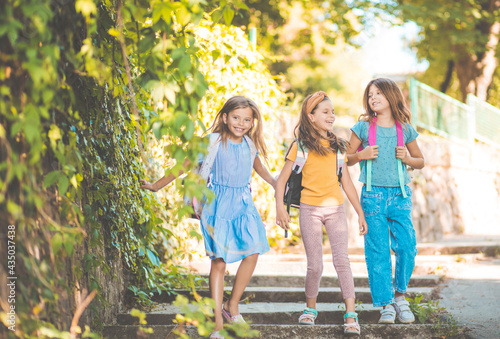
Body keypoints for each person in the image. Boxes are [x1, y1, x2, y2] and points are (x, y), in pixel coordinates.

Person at [140, 96, 276, 339]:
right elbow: (182, 166)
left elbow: (260, 169)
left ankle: (231, 305)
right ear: (224, 117)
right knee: (220, 262)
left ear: (252, 122)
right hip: (217, 205)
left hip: (244, 204)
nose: (241, 123)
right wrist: (156, 185)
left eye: (247, 119)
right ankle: (217, 324)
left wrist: (277, 183)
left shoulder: (249, 144)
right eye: (236, 117)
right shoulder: (212, 142)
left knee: (253, 252)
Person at [275, 91, 368, 336]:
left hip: (335, 210)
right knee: (314, 265)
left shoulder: (338, 146)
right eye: (325, 112)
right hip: (309, 210)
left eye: (333, 112)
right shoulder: (300, 146)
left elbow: (346, 182)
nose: (331, 116)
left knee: (342, 261)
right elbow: (282, 180)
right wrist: (279, 209)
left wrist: (359, 213)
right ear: (311, 116)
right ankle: (310, 309)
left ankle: (351, 313)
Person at [346, 78, 425, 324]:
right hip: (372, 196)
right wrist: (361, 154)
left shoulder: (405, 129)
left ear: (392, 96)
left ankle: (400, 296)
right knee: (378, 252)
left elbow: (420, 160)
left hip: (400, 197)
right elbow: (346, 158)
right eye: (370, 95)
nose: (373, 98)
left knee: (407, 246)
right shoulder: (361, 127)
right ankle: (386, 304)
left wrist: (408, 159)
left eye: (378, 93)